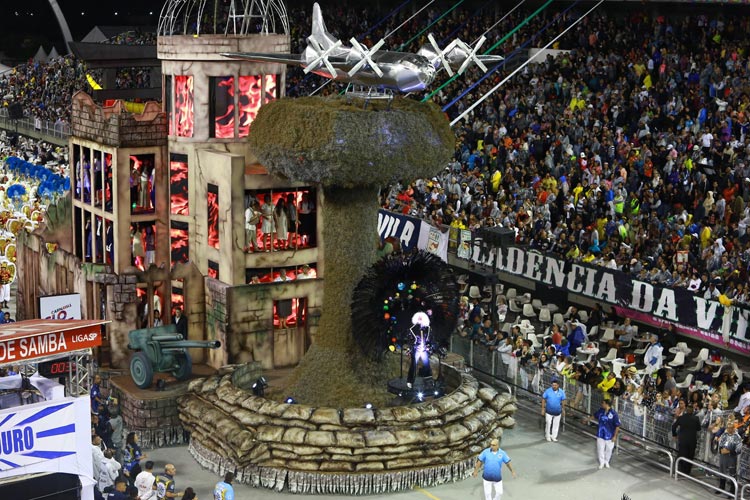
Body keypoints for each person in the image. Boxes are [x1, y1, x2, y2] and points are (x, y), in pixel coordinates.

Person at [671, 405, 701, 475]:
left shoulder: (681, 418)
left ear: (686, 410)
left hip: (683, 440)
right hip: (692, 441)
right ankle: (687, 471)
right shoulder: (696, 418)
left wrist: (674, 435)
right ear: (693, 410)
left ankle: (680, 469)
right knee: (690, 456)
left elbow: (673, 426)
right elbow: (699, 428)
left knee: (682, 454)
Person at [593, 398, 620, 469]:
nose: (602, 404)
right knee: (600, 449)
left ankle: (607, 461)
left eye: (603, 403)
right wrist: (587, 419)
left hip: (610, 435)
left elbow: (617, 426)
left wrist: (615, 436)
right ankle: (601, 462)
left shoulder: (614, 414)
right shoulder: (600, 411)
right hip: (600, 434)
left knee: (609, 449)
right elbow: (594, 415)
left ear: (607, 404)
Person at [717, 421, 742, 495]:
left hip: (731, 457)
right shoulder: (724, 434)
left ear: (734, 428)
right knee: (722, 471)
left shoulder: (737, 437)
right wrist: (721, 449)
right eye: (728, 428)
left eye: (730, 428)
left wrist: (728, 451)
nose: (729, 429)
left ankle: (732, 491)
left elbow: (739, 449)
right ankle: (721, 487)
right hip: (723, 456)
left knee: (732, 473)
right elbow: (720, 442)